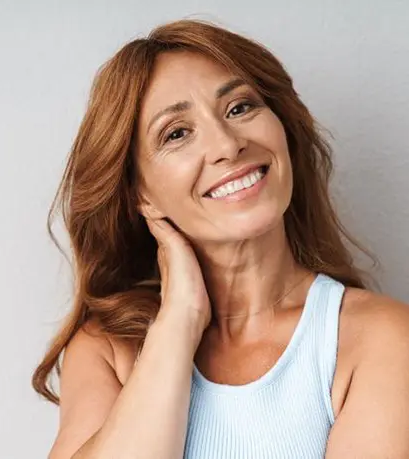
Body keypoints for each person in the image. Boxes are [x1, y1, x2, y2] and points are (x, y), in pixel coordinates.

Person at [32, 19, 409, 459]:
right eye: (177, 133)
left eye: (239, 108)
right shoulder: (108, 348)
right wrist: (179, 321)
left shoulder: (379, 338)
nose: (228, 146)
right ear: (141, 194)